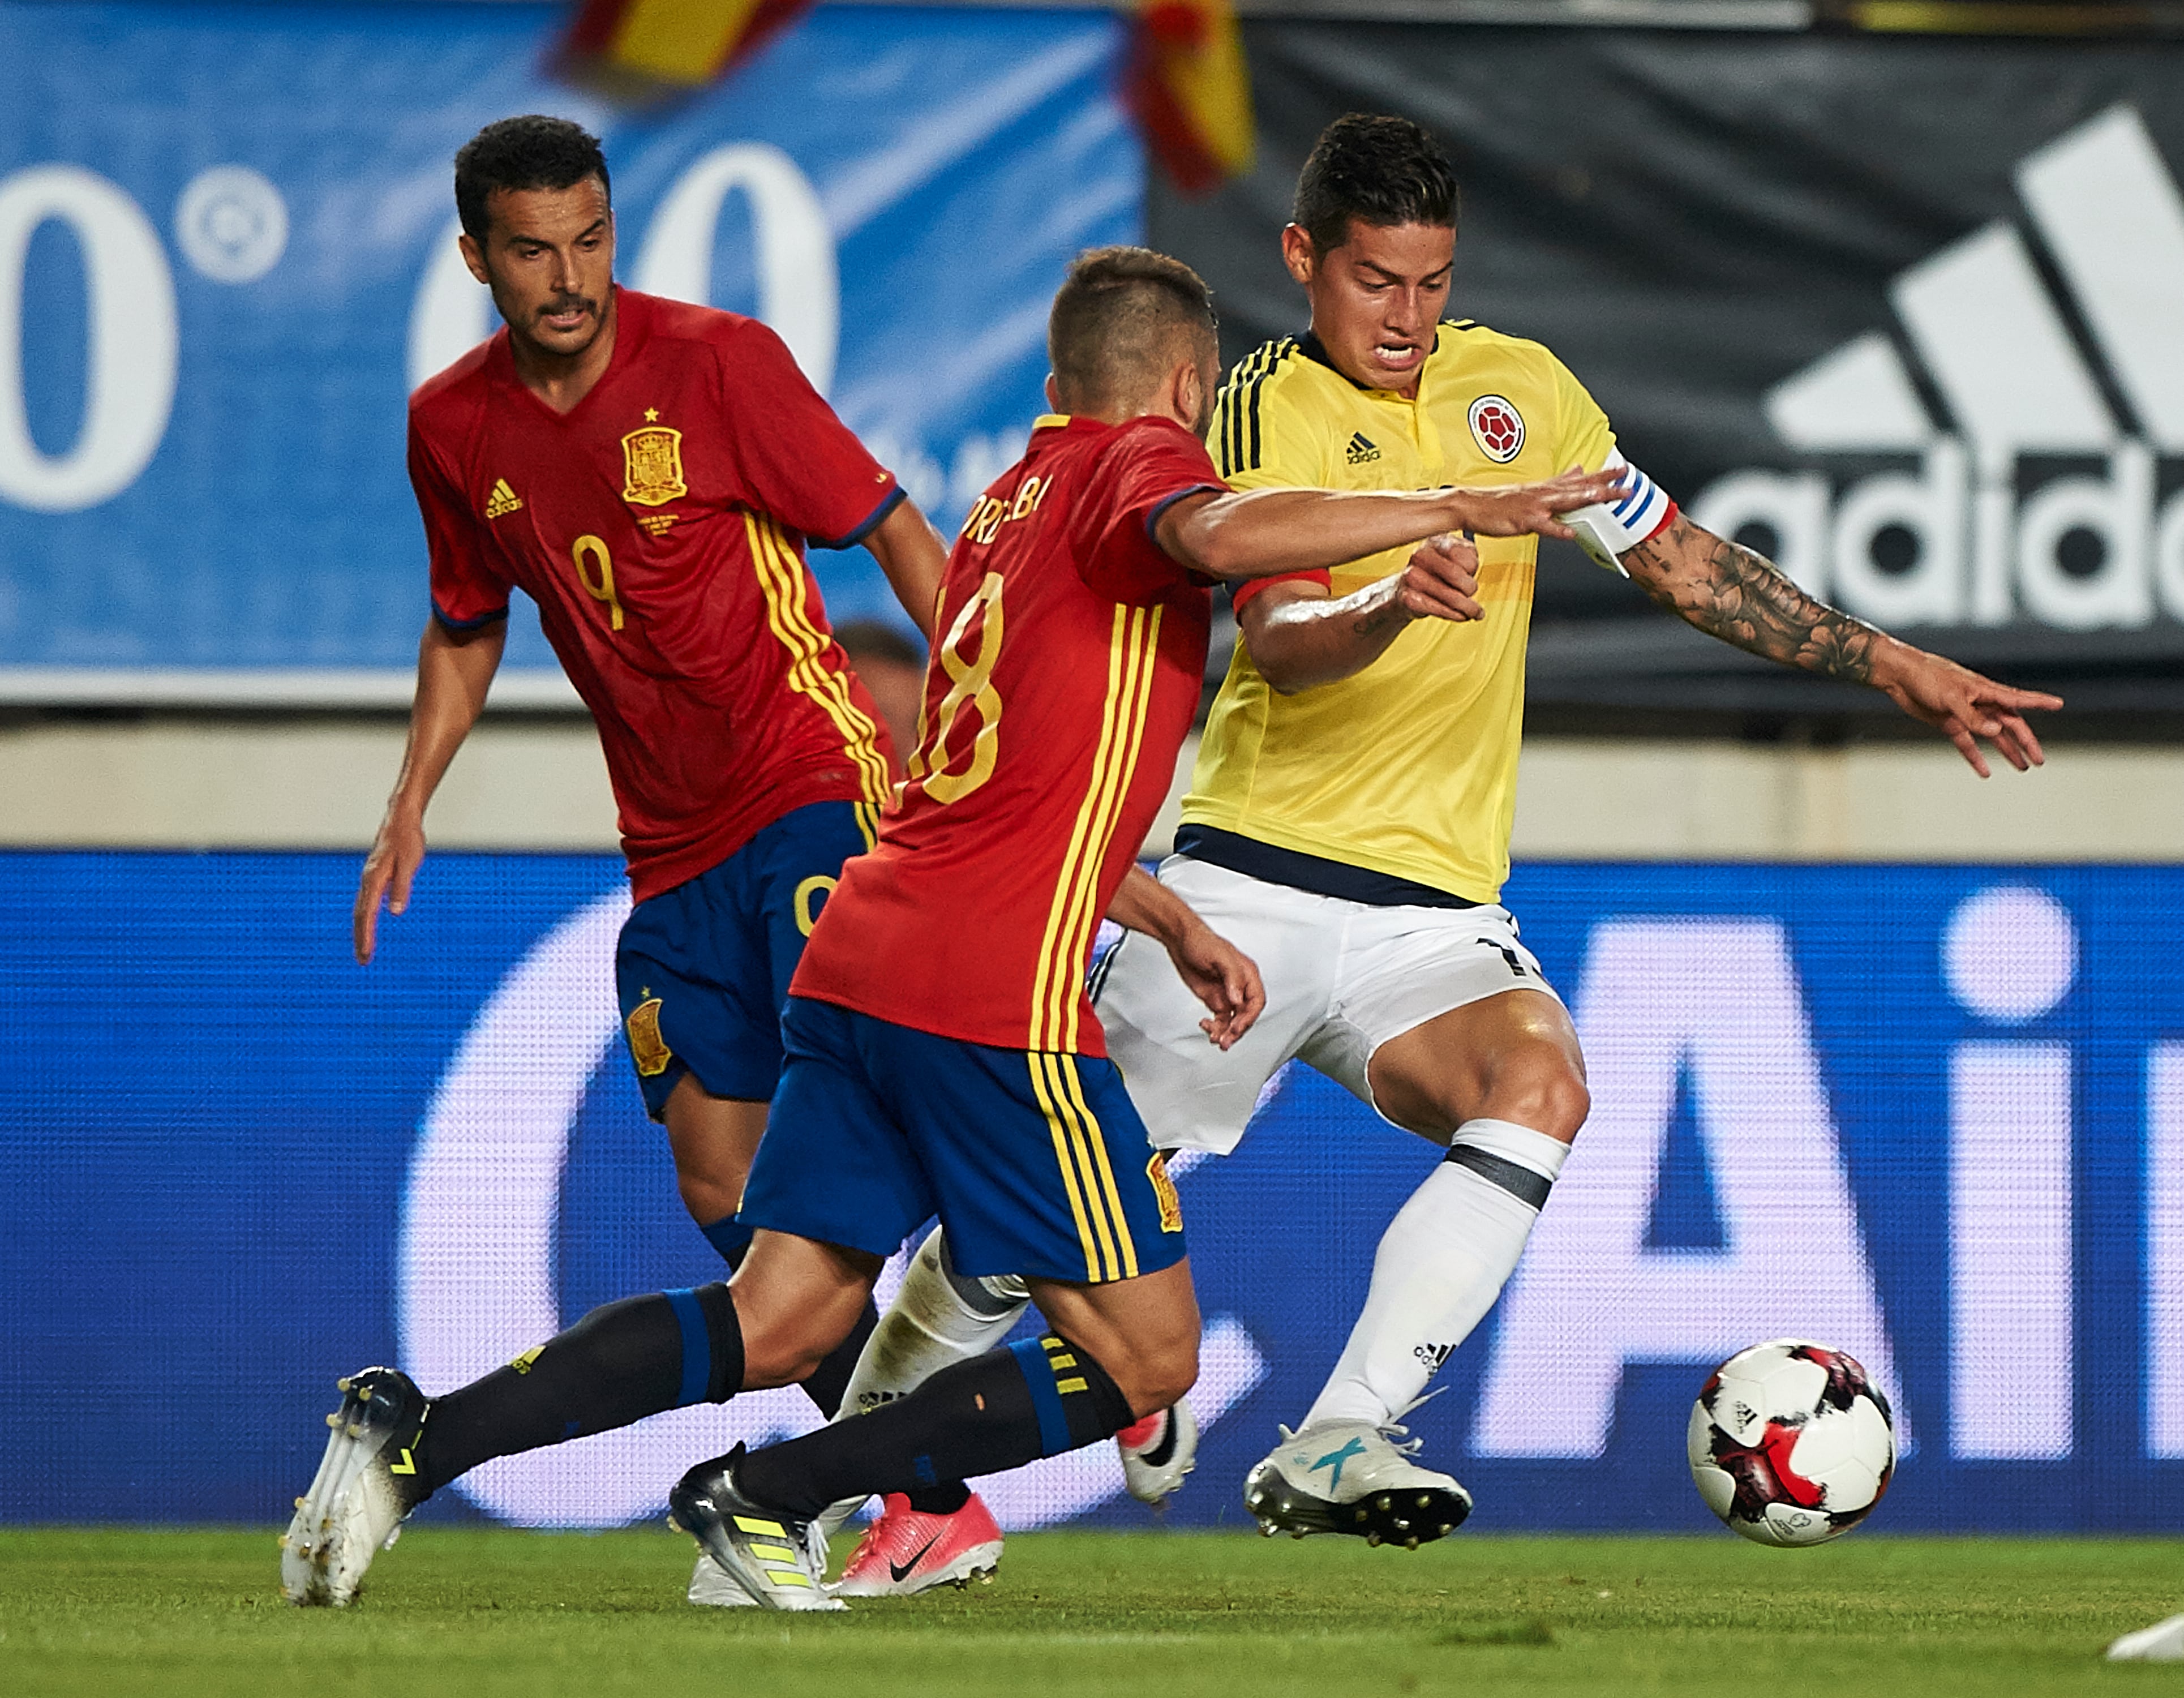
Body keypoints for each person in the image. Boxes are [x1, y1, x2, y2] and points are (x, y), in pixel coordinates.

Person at [281, 244, 1624, 1609]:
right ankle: (768, 1501)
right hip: (993, 993)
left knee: (777, 1317)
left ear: (1056, 382)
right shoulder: (1129, 473)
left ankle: (414, 1441)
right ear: (1184, 385)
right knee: (1146, 1364)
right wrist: (1455, 499)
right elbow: (1213, 536)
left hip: (868, 951)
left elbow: (1002, 782)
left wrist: (1156, 910)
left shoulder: (1003, 510)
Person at [838, 112, 2065, 1562]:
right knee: (1014, 1241)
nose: (1408, 319)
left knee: (1539, 1082)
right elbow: (1276, 639)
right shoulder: (1238, 410)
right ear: (1303, 259)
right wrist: (1380, 602)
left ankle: (1336, 1433)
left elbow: (1673, 556)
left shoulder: (1525, 392)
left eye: (1430, 283)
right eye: (1374, 283)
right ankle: (845, 1480)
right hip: (1246, 883)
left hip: (1432, 912)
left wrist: (1892, 665)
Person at [336, 114, 951, 1569]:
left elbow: (891, 525)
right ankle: (929, 1483)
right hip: (668, 853)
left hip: (808, 777)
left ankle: (1099, 1320)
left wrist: (988, 717)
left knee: (886, 1101)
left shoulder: (719, 364)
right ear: (477, 255)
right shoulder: (453, 428)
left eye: (591, 239)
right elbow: (466, 623)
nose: (570, 277)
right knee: (724, 1193)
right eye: (535, 250)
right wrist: (412, 791)